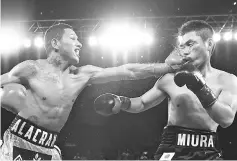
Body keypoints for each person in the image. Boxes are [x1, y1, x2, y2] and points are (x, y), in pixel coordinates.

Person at [0, 23, 188, 160]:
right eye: (73, 38)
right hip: (17, 142)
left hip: (48, 148)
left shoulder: (83, 74)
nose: (79, 44)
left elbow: (127, 71)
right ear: (56, 44)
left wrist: (165, 67)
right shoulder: (31, 69)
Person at [94, 20, 237, 160]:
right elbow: (142, 102)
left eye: (190, 44)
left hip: (208, 150)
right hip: (172, 147)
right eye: (182, 46)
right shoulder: (169, 79)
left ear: (209, 44)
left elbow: (226, 119)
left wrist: (200, 88)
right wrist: (121, 101)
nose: (185, 51)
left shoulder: (227, 80)